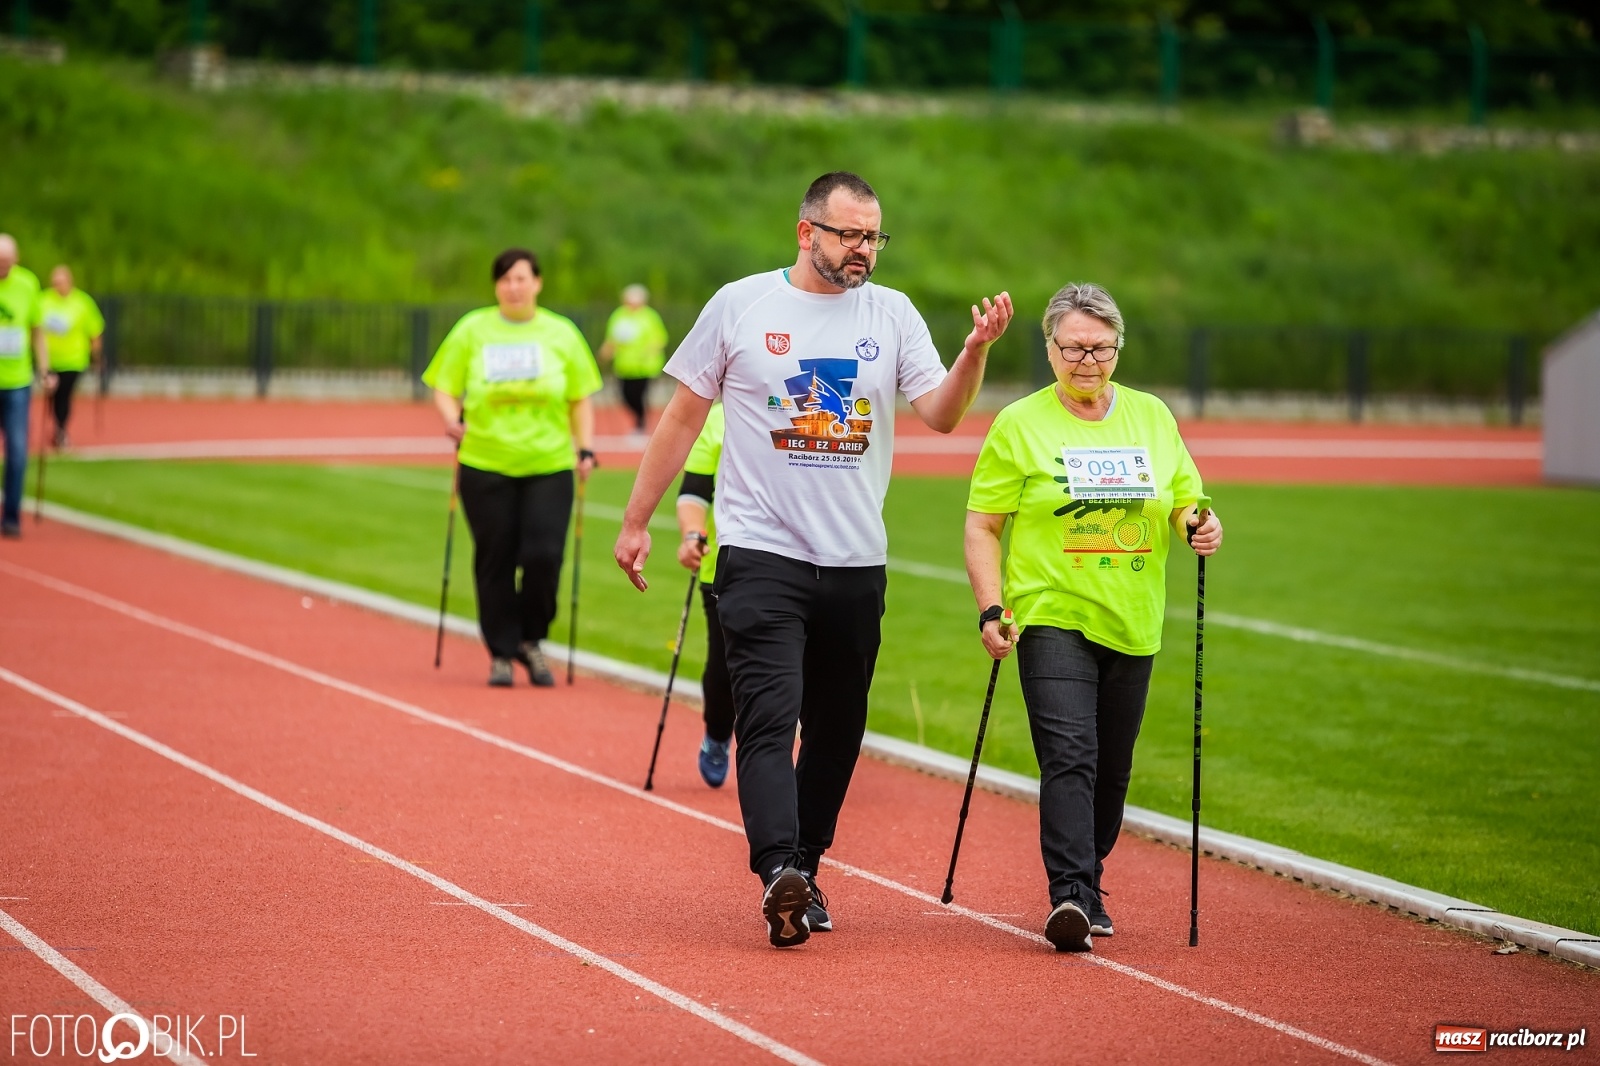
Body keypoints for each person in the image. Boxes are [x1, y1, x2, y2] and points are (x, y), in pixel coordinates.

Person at [613, 171, 1013, 948]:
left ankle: (805, 867)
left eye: (874, 236)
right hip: (762, 554)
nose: (864, 249)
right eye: (849, 234)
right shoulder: (741, 305)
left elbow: (941, 414)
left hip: (857, 562)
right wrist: (637, 521)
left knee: (837, 729)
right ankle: (776, 874)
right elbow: (680, 420)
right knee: (769, 721)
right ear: (807, 232)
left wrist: (974, 352)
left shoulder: (892, 314)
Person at [964, 282, 1222, 952]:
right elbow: (983, 527)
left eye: (1101, 348)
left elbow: (1184, 497)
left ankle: (1089, 870)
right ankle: (1073, 896)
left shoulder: (1152, 417)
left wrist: (1198, 522)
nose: (1088, 360)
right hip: (1050, 613)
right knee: (1070, 754)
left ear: (1118, 348)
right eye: (1074, 347)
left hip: (1134, 617)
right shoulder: (1019, 424)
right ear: (1049, 348)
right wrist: (992, 606)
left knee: (1112, 768)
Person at [422, 248, 602, 688]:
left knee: (544, 556)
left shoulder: (561, 333)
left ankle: (531, 639)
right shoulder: (472, 329)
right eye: (505, 280)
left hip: (549, 462)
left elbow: (580, 398)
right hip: (485, 461)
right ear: (496, 286)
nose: (513, 287)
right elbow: (443, 386)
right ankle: (501, 651)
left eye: (521, 278)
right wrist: (452, 421)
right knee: (495, 558)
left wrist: (586, 449)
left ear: (537, 283)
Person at [674, 403, 734, 790]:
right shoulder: (715, 420)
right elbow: (694, 491)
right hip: (726, 567)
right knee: (725, 669)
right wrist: (693, 534)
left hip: (815, 564)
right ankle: (717, 732)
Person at [0, 235, 46, 538]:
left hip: (17, 382)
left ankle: (11, 514)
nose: (2, 267)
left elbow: (37, 329)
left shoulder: (27, 284)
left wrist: (45, 368)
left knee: (17, 450)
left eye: (7, 261)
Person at [39, 265, 105, 449]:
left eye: (60, 282)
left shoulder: (82, 302)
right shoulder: (43, 300)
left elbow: (95, 330)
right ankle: (58, 427)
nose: (57, 286)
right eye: (54, 283)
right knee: (53, 395)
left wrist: (97, 356)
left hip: (74, 359)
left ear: (69, 281)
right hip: (50, 360)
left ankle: (60, 430)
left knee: (63, 395)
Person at [599, 284, 668, 437]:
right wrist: (606, 351)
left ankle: (640, 424)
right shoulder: (619, 315)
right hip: (624, 366)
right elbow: (612, 338)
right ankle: (639, 420)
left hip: (645, 367)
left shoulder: (650, 317)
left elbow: (659, 338)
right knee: (625, 396)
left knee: (639, 396)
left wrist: (649, 351)